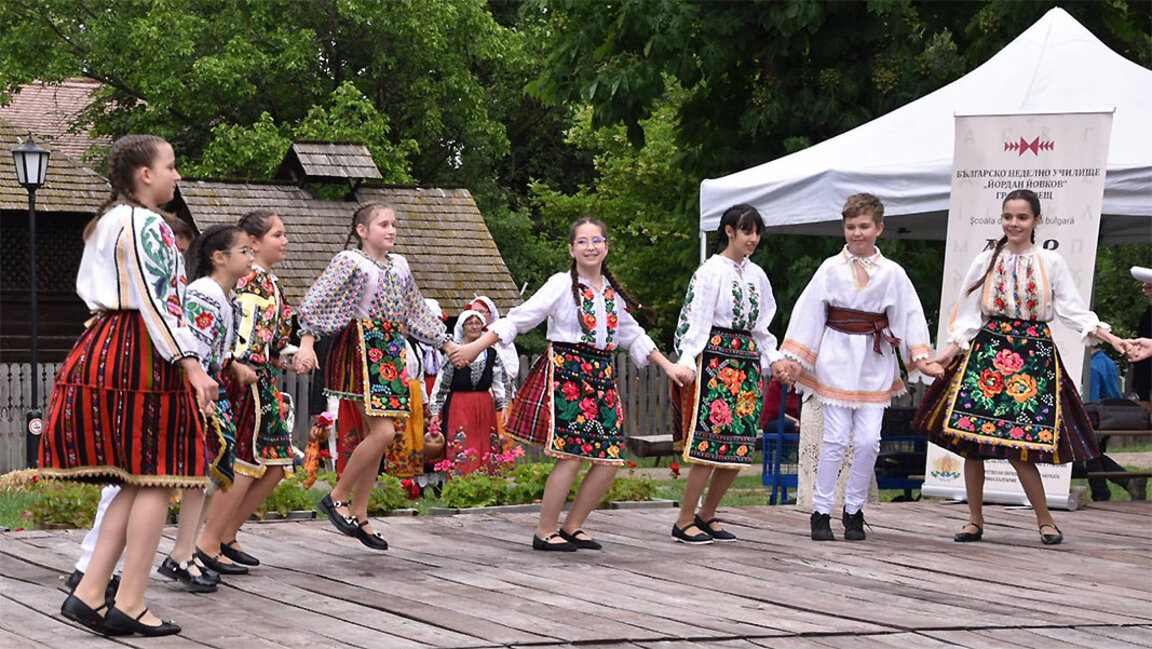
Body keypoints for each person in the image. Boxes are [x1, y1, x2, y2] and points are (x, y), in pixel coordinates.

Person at [41, 134, 216, 637]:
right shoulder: (148, 225)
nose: (175, 176)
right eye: (171, 166)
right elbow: (161, 302)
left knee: (134, 478)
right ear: (145, 175)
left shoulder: (107, 221)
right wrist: (192, 365)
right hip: (142, 354)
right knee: (160, 477)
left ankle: (92, 591)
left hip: (105, 342)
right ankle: (132, 600)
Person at [451, 217, 694, 551]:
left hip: (601, 377)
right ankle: (545, 530)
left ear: (606, 247)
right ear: (571, 248)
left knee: (609, 459)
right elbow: (520, 319)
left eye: (597, 240)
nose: (590, 246)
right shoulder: (560, 284)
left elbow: (633, 335)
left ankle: (573, 526)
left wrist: (669, 368)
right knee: (571, 455)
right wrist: (474, 347)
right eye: (583, 241)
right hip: (567, 373)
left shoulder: (610, 293)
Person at [915, 189, 1127, 545]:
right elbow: (968, 315)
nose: (1014, 223)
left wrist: (1114, 339)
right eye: (1008, 217)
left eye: (1022, 217)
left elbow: (1074, 312)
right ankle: (975, 519)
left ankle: (1045, 520)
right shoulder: (986, 260)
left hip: (1032, 356)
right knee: (973, 442)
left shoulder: (1050, 262)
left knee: (1020, 445)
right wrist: (947, 353)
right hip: (988, 352)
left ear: (1037, 221)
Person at [778, 193, 942, 541]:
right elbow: (810, 313)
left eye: (864, 226)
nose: (856, 233)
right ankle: (821, 511)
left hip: (874, 361)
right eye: (850, 226)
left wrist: (921, 357)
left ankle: (854, 510)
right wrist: (795, 360)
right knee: (835, 439)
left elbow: (908, 315)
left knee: (868, 441)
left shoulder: (892, 273)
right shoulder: (830, 268)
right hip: (836, 359)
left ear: (879, 228)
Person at [293, 203, 454, 550]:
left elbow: (415, 311)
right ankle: (336, 497)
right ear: (363, 231)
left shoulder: (400, 265)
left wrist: (444, 342)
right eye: (383, 224)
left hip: (391, 348)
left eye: (394, 224)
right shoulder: (350, 261)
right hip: (363, 347)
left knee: (378, 434)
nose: (391, 229)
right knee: (382, 432)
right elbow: (316, 302)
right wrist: (307, 342)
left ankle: (361, 516)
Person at [668, 203, 789, 544]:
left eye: (757, 232)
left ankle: (708, 515)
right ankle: (684, 519)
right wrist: (688, 360)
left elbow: (762, 326)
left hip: (746, 362)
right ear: (729, 232)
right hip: (716, 360)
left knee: (738, 447)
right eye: (747, 231)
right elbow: (696, 319)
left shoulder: (757, 275)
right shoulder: (710, 271)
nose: (753, 239)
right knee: (708, 446)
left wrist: (774, 357)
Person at [157, 224, 253, 593]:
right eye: (243, 250)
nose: (249, 256)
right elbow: (193, 346)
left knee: (207, 477)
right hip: (196, 392)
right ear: (219, 257)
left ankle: (186, 551)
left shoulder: (222, 296)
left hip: (209, 390)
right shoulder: (204, 294)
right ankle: (181, 553)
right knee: (200, 475)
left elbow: (215, 349)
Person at [195, 210, 291, 575]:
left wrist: (289, 354)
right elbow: (241, 331)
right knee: (246, 463)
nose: (285, 241)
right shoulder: (249, 280)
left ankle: (226, 534)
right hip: (244, 376)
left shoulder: (270, 282)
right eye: (277, 235)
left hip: (262, 375)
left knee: (276, 464)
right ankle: (209, 541)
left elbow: (273, 336)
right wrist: (239, 361)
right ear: (253, 243)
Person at [429, 309, 510, 474]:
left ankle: (487, 483)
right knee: (461, 443)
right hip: (459, 405)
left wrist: (503, 406)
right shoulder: (454, 353)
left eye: (478, 323)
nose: (474, 327)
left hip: (484, 405)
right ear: (462, 327)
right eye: (470, 323)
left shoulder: (491, 354)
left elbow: (500, 381)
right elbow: (442, 383)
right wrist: (435, 411)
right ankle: (460, 484)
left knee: (485, 442)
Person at [468, 295, 520, 391]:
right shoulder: (466, 337)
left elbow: (511, 367)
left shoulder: (500, 334)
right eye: (473, 312)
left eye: (481, 312)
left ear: (490, 314)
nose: (476, 315)